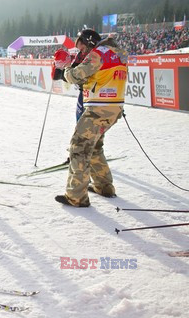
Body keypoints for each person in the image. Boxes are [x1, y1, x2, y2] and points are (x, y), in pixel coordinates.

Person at [52, 29, 128, 207]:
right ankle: (104, 186)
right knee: (95, 147)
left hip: (97, 108)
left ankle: (76, 196)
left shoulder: (97, 55)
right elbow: (97, 77)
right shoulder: (119, 53)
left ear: (90, 42)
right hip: (114, 107)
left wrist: (64, 70)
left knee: (79, 147)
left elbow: (75, 75)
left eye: (83, 47)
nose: (82, 53)